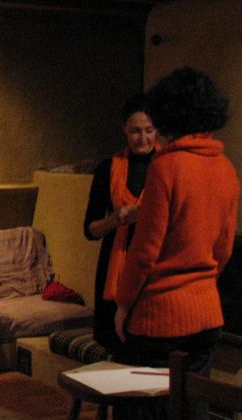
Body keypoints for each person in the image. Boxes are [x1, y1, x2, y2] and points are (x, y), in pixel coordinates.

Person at [114, 67, 240, 420]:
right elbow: (224, 249)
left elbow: (145, 250)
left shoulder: (167, 167)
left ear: (167, 113)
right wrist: (200, 284)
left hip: (158, 319)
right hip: (206, 316)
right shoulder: (226, 169)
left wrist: (123, 304)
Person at [84, 94, 159, 357]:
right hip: (114, 265)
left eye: (149, 130)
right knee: (114, 347)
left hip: (152, 265)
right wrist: (117, 218)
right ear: (124, 130)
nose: (143, 138)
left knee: (147, 347)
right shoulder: (108, 168)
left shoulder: (167, 166)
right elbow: (90, 230)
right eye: (136, 131)